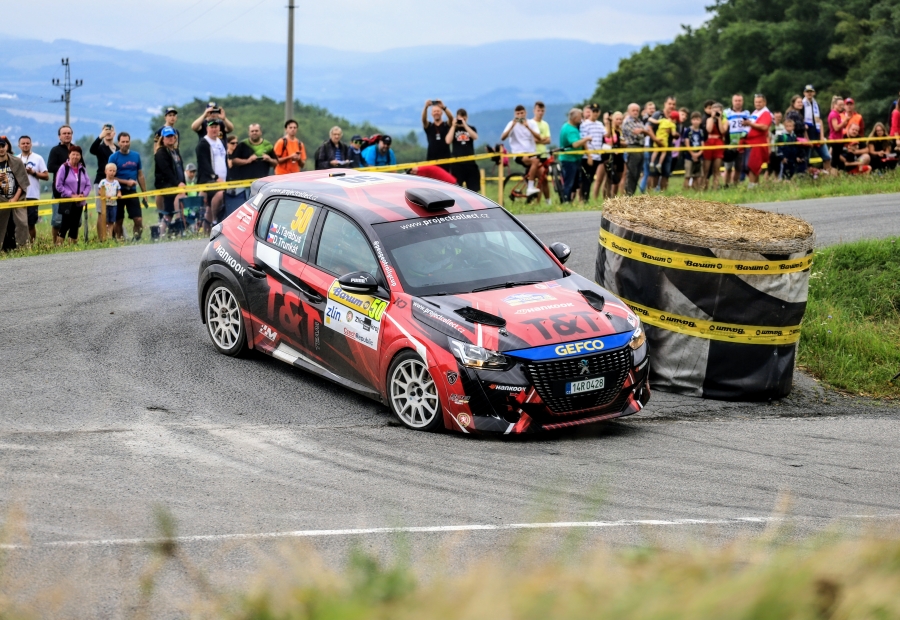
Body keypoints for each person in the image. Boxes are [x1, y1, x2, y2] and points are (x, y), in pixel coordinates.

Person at [108, 132, 148, 241]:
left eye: (127, 141)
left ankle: (137, 239)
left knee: (138, 219)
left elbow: (140, 175)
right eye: (123, 142)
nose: (125, 144)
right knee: (119, 220)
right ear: (118, 143)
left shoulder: (136, 156)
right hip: (118, 192)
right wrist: (126, 182)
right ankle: (120, 240)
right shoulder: (113, 157)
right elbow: (110, 177)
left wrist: (144, 193)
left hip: (132, 191)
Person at [500, 105, 543, 197]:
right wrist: (512, 126)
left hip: (531, 152)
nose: (520, 115)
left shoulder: (531, 123)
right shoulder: (511, 123)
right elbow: (503, 137)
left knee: (543, 176)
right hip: (519, 153)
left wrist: (528, 127)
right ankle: (530, 188)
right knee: (535, 161)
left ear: (525, 113)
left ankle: (546, 201)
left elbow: (539, 137)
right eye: (518, 114)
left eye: (522, 113)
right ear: (515, 114)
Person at [54, 145, 91, 244]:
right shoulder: (64, 168)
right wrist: (71, 195)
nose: (75, 156)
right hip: (67, 201)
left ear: (80, 156)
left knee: (75, 225)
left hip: (79, 202)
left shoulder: (82, 169)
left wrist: (83, 194)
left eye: (77, 154)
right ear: (69, 155)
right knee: (64, 225)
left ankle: (72, 247)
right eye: (73, 154)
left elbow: (88, 185)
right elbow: (59, 185)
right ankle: (59, 246)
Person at [196, 120, 227, 232]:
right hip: (208, 180)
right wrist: (215, 177)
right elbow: (204, 164)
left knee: (210, 205)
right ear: (207, 129)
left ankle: (207, 229)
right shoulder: (203, 143)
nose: (214, 129)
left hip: (223, 179)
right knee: (220, 194)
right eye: (211, 127)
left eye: (216, 127)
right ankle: (214, 221)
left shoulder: (221, 142)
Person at [0, 136, 30, 250]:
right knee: (3, 226)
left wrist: (15, 198)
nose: (1, 149)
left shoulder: (16, 162)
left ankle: (21, 248)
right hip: (1, 200)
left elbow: (22, 182)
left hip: (16, 199)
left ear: (6, 146)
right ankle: (4, 250)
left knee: (20, 224)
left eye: (2, 146)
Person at [154, 126, 186, 233]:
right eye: (167, 136)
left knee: (168, 213)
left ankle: (162, 233)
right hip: (167, 185)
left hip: (177, 185)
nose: (170, 138)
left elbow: (180, 169)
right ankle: (177, 224)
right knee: (169, 211)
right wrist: (177, 183)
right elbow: (166, 171)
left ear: (175, 137)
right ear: (163, 139)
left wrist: (183, 182)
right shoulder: (160, 153)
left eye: (172, 136)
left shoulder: (175, 151)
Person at [47, 125, 74, 244]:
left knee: (74, 221)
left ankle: (71, 246)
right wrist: (66, 168)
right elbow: (50, 167)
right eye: (64, 133)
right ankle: (55, 244)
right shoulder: (55, 150)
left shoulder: (76, 149)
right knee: (57, 221)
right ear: (59, 136)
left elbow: (82, 167)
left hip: (74, 191)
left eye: (69, 133)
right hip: (59, 191)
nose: (67, 135)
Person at [18, 135, 48, 243]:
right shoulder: (16, 159)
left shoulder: (38, 158)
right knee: (20, 223)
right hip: (19, 196)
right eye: (23, 143)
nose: (25, 145)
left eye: (27, 143)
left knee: (31, 224)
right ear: (19, 145)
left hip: (32, 195)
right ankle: (21, 244)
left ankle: (32, 245)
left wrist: (33, 173)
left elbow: (46, 176)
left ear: (31, 144)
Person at [558, 108, 591, 203]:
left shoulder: (568, 126)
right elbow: (575, 144)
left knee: (574, 183)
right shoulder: (570, 130)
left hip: (574, 159)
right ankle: (566, 200)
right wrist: (586, 139)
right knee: (569, 182)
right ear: (575, 118)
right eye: (580, 117)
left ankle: (569, 200)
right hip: (569, 160)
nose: (581, 119)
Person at [444, 108, 480, 192]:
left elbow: (475, 137)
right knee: (456, 189)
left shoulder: (471, 128)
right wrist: (453, 126)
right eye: (460, 119)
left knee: (473, 190)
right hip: (457, 164)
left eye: (464, 119)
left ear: (466, 118)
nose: (461, 121)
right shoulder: (453, 129)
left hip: (470, 163)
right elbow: (447, 141)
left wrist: (465, 125)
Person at [648, 97, 678, 191]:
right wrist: (656, 139)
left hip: (667, 147)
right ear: (665, 104)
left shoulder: (675, 117)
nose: (671, 106)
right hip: (655, 146)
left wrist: (674, 134)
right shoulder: (658, 114)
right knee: (653, 173)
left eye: (673, 104)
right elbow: (649, 128)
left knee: (666, 173)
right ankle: (650, 195)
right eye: (670, 103)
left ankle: (663, 195)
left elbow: (676, 133)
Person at [742, 94, 772, 187]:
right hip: (751, 142)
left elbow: (764, 126)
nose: (758, 104)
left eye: (760, 102)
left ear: (765, 102)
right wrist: (746, 124)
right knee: (751, 165)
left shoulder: (766, 113)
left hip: (757, 143)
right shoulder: (755, 112)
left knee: (753, 165)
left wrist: (750, 124)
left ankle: (752, 186)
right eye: (756, 102)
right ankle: (756, 185)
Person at [802, 85, 833, 173]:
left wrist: (822, 136)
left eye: (811, 91)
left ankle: (827, 175)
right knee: (806, 160)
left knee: (827, 157)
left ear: (814, 93)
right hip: (807, 137)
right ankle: (806, 178)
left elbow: (820, 120)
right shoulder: (802, 105)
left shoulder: (816, 104)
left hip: (817, 135)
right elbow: (802, 123)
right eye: (807, 91)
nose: (809, 93)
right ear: (804, 93)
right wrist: (807, 139)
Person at [621, 103, 649, 196]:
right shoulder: (627, 122)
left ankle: (631, 193)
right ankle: (628, 194)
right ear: (628, 111)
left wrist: (643, 131)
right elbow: (638, 135)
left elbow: (645, 133)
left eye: (637, 110)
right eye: (633, 110)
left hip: (641, 147)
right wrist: (643, 131)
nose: (635, 112)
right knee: (632, 172)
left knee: (637, 172)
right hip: (633, 147)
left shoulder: (638, 121)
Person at [90, 124, 117, 218]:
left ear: (114, 133)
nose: (108, 132)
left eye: (110, 130)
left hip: (115, 183)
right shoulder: (100, 148)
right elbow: (92, 150)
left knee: (114, 212)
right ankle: (101, 229)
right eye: (106, 130)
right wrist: (101, 136)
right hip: (101, 182)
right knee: (102, 212)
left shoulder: (117, 149)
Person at [579, 104, 605, 201]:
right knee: (586, 178)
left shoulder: (600, 124)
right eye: (593, 111)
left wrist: (609, 123)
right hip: (587, 156)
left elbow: (606, 135)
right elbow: (584, 141)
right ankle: (584, 198)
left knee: (590, 179)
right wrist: (589, 155)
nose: (595, 113)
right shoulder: (584, 124)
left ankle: (586, 198)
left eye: (597, 111)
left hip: (597, 156)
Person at [723, 94, 749, 186]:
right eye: (736, 100)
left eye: (739, 100)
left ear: (742, 101)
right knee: (728, 168)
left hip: (741, 144)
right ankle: (726, 185)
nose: (738, 102)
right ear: (732, 101)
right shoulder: (726, 112)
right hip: (729, 144)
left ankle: (735, 185)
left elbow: (749, 126)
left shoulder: (747, 113)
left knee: (738, 167)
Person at [421, 100, 454, 170]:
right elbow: (424, 120)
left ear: (441, 113)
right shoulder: (429, 126)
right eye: (434, 111)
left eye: (438, 111)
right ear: (431, 114)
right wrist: (426, 107)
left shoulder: (446, 125)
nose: (436, 113)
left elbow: (451, 118)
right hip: (431, 160)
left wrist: (444, 107)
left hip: (446, 160)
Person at [532, 102, 553, 203]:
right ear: (534, 111)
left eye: (542, 111)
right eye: (538, 110)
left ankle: (547, 201)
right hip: (534, 155)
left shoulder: (545, 124)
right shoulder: (531, 123)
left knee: (544, 180)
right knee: (540, 178)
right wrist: (542, 139)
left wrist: (539, 139)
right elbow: (532, 140)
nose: (540, 113)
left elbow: (548, 140)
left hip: (543, 154)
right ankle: (537, 201)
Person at [703, 103, 727, 190]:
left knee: (716, 169)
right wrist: (712, 118)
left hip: (719, 143)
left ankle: (715, 188)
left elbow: (722, 131)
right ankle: (704, 187)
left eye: (718, 111)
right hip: (709, 143)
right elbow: (709, 129)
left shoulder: (725, 121)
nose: (716, 112)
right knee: (706, 168)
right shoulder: (709, 119)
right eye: (714, 110)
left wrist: (719, 119)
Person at [97, 163, 122, 237]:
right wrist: (105, 195)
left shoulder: (116, 182)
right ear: (106, 171)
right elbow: (99, 191)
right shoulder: (103, 182)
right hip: (105, 205)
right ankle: (104, 236)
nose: (112, 172)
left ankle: (110, 236)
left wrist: (119, 194)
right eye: (110, 170)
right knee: (105, 221)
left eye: (114, 171)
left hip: (113, 204)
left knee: (111, 221)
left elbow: (119, 190)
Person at [682, 112, 705, 190]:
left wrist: (699, 154)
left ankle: (696, 192)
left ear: (700, 121)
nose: (695, 121)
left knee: (697, 176)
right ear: (691, 120)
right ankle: (685, 192)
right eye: (694, 119)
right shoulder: (688, 130)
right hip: (689, 157)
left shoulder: (701, 131)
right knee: (688, 176)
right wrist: (693, 154)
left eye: (697, 119)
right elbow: (687, 143)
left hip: (699, 156)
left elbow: (702, 144)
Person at [827, 96, 850, 165]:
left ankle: (836, 170)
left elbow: (841, 126)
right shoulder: (833, 114)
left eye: (842, 105)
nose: (841, 106)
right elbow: (836, 128)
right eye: (840, 105)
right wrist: (845, 120)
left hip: (839, 139)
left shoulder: (838, 114)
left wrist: (846, 121)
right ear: (835, 105)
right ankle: (833, 170)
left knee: (837, 158)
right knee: (835, 159)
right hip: (835, 139)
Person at [767, 110, 785, 181]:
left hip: (779, 150)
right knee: (769, 169)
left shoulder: (782, 127)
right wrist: (769, 150)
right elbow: (768, 139)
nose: (778, 118)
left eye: (779, 117)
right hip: (772, 150)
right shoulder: (771, 127)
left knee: (777, 168)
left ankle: (776, 181)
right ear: (773, 117)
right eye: (776, 117)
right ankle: (765, 182)